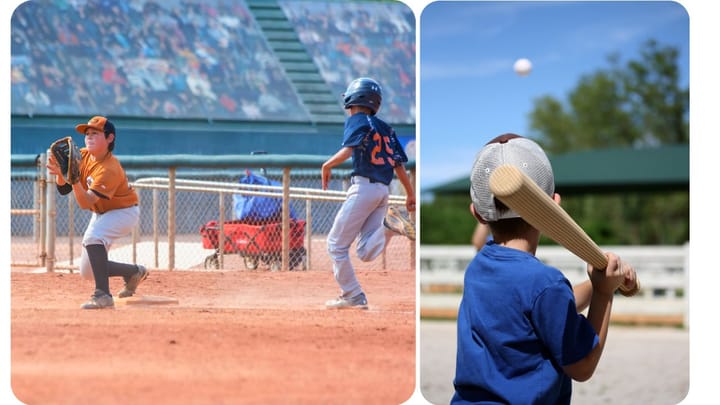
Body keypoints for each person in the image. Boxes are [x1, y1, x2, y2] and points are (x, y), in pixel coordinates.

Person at [452, 133, 638, 404]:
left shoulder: (479, 268)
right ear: (554, 203)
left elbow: (543, 309)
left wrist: (600, 282)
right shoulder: (544, 282)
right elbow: (582, 366)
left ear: (477, 213)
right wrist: (604, 296)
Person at [321, 77, 416, 309]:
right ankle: (388, 227)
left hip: (363, 188)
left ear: (354, 99)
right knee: (364, 251)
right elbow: (398, 165)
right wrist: (410, 194)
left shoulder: (357, 119)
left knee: (335, 245)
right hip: (383, 191)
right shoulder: (386, 129)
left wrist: (327, 165)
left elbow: (349, 149)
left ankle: (352, 295)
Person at [47, 116, 148, 309]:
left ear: (110, 138)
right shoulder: (82, 156)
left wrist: (75, 180)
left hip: (123, 212)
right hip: (102, 213)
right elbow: (64, 189)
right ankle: (133, 272)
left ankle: (102, 295)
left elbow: (85, 203)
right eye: (87, 134)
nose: (89, 137)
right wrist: (62, 176)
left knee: (93, 237)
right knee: (87, 271)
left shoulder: (109, 168)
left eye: (95, 133)